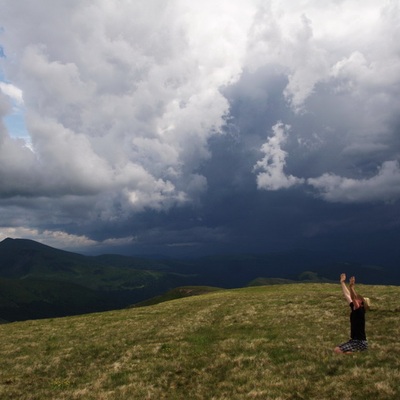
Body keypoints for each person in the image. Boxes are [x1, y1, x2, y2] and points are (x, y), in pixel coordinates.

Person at [334, 273, 369, 354]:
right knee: (337, 349)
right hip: (354, 340)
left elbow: (353, 297)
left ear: (361, 303)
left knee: (337, 350)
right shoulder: (354, 308)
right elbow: (348, 295)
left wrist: (351, 287)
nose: (356, 300)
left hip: (360, 342)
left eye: (359, 299)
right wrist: (342, 282)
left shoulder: (359, 311)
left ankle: (357, 353)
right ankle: (356, 352)